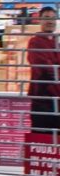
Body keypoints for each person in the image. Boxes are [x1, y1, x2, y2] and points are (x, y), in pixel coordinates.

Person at [30, 7, 60, 135]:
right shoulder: (35, 42)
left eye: (53, 18)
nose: (50, 21)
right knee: (42, 138)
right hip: (43, 100)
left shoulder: (57, 42)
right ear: (40, 20)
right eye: (46, 18)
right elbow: (44, 67)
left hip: (57, 100)